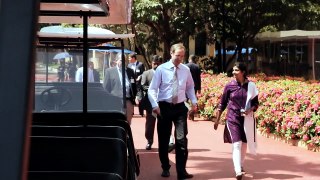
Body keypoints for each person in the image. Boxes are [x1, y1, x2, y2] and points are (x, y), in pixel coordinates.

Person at [148, 43, 197, 180]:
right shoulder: (161, 69)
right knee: (163, 140)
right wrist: (154, 105)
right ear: (171, 53)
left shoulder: (185, 70)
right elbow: (152, 89)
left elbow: (190, 87)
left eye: (182, 56)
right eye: (177, 56)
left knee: (181, 139)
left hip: (180, 107)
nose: (179, 59)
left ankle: (181, 171)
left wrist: (194, 101)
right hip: (164, 107)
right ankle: (165, 166)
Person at [213, 62, 259, 180]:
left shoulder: (251, 86)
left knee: (244, 143)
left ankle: (241, 165)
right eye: (233, 70)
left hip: (246, 119)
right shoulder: (229, 86)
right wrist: (217, 119)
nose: (233, 72)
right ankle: (238, 170)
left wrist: (250, 110)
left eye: (236, 70)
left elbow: (256, 103)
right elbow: (222, 103)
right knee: (237, 143)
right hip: (232, 117)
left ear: (243, 72)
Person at [103, 53, 137, 125]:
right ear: (116, 61)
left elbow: (134, 86)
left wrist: (134, 97)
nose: (123, 62)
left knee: (128, 122)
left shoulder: (130, 71)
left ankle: (126, 135)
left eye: (124, 60)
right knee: (117, 121)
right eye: (121, 60)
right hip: (116, 101)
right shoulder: (109, 72)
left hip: (128, 101)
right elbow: (105, 89)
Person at [140, 55, 162, 150]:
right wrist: (153, 90)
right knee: (150, 124)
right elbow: (143, 85)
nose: (156, 65)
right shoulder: (146, 73)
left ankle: (164, 143)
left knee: (163, 125)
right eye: (154, 63)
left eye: (158, 63)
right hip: (151, 104)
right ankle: (149, 141)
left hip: (162, 103)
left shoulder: (165, 73)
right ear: (151, 63)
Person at [186, 55, 201, 121]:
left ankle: (188, 111)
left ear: (189, 59)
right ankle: (191, 113)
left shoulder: (185, 66)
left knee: (185, 100)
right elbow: (198, 78)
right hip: (193, 86)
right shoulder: (196, 67)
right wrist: (199, 89)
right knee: (192, 99)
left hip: (185, 85)